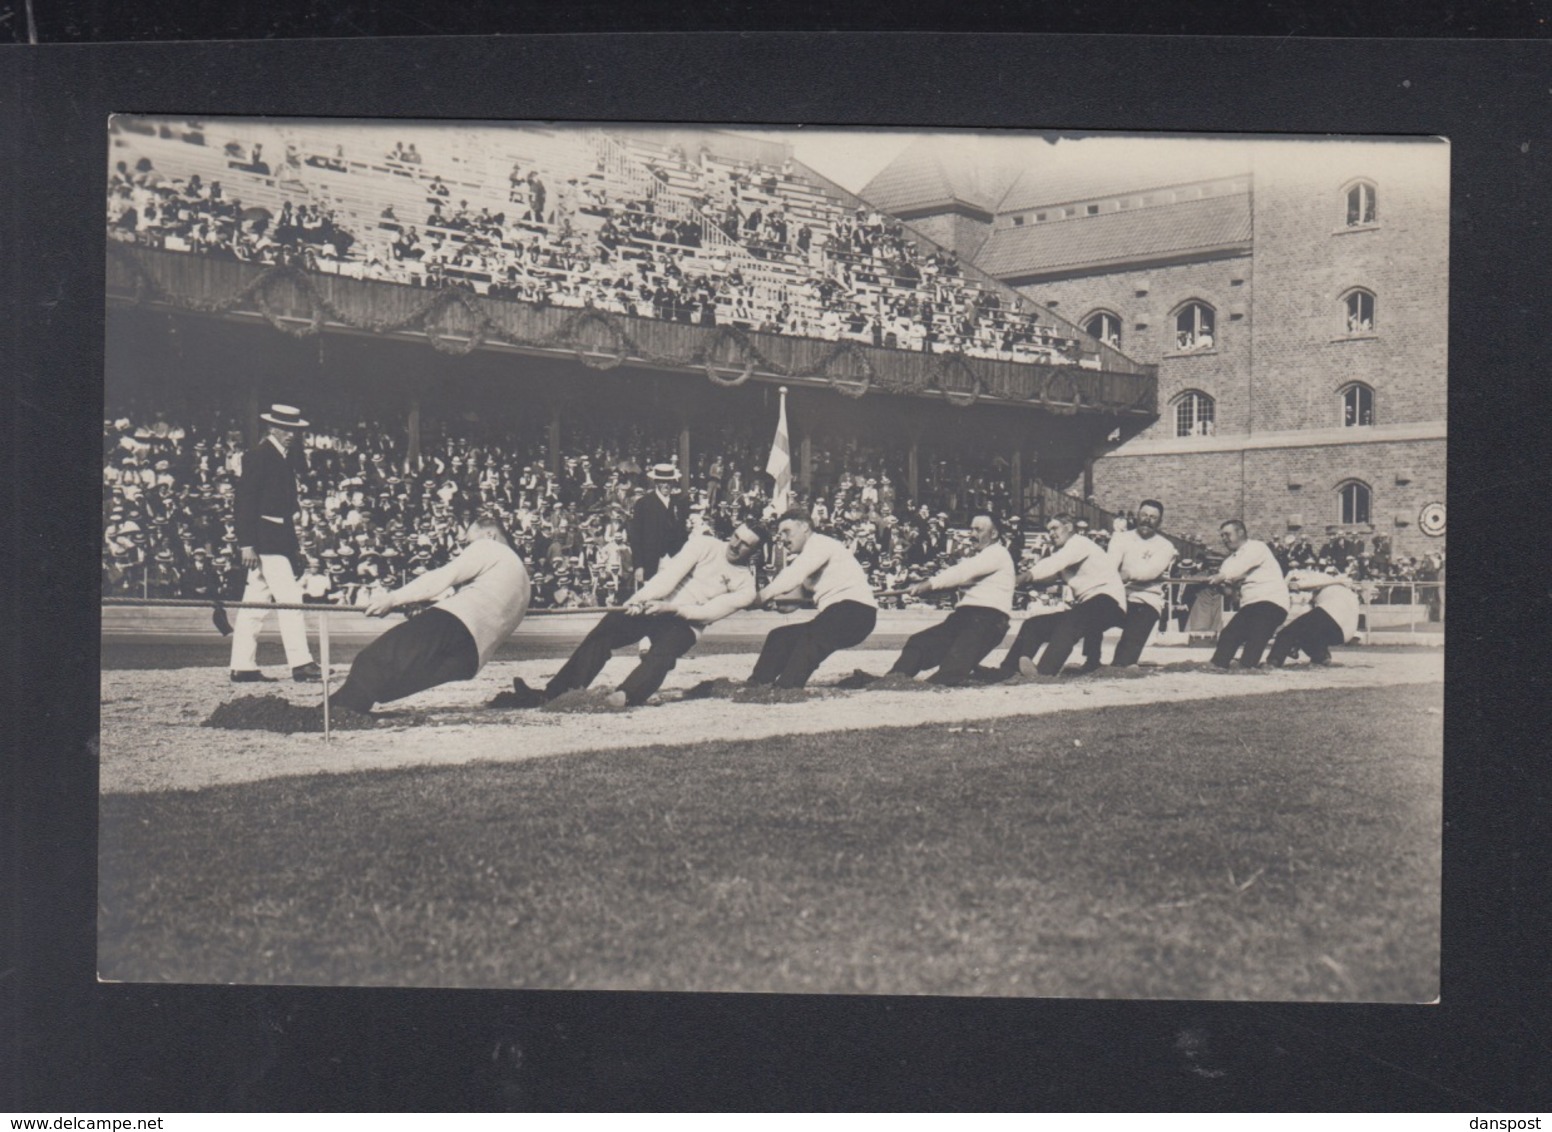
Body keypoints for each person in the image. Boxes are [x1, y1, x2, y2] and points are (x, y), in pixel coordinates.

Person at [511, 521, 767, 708]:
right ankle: (555, 693)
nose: (735, 545)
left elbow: (707, 614)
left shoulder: (746, 586)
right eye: (735, 536)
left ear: (754, 552)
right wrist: (639, 600)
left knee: (664, 653)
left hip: (686, 623)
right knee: (607, 629)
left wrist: (672, 608)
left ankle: (625, 696)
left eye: (745, 544)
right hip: (654, 604)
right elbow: (668, 577)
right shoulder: (704, 544)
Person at [329, 515, 531, 714]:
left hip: (456, 623)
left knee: (372, 660)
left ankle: (334, 713)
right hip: (471, 659)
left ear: (490, 535)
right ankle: (337, 708)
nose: (466, 548)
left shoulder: (490, 547)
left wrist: (393, 599)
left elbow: (443, 576)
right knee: (386, 686)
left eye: (470, 542)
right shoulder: (522, 577)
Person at [228, 404, 320, 683]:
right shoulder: (258, 457)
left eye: (294, 430)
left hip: (275, 542)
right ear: (272, 428)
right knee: (290, 601)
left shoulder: (282, 458)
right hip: (266, 543)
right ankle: (301, 663)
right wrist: (246, 544)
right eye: (285, 429)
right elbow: (244, 502)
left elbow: (284, 513)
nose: (291, 434)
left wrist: (294, 550)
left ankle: (242, 665)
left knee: (253, 606)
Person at [743, 509, 878, 689]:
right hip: (835, 615)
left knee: (812, 637)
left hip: (855, 612)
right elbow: (793, 601)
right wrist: (773, 602)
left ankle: (787, 687)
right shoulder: (810, 557)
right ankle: (757, 683)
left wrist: (761, 596)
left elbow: (793, 575)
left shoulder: (820, 544)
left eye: (787, 531)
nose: (782, 538)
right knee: (780, 637)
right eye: (779, 533)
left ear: (805, 527)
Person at [876, 514, 1014, 686]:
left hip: (989, 620)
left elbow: (962, 572)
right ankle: (893, 679)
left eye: (978, 530)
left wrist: (929, 584)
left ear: (994, 534)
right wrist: (926, 587)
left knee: (951, 671)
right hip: (965, 616)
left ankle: (989, 674)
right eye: (971, 529)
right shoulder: (982, 557)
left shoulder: (997, 554)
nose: (972, 534)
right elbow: (957, 579)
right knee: (919, 643)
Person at [982, 514, 1127, 679]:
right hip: (1088, 606)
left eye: (1055, 528)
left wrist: (1025, 576)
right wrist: (1015, 581)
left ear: (1069, 527)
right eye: (1048, 530)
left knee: (1071, 620)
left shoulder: (1079, 543)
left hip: (1110, 602)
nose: (1051, 533)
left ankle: (1045, 672)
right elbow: (1050, 576)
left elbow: (1053, 564)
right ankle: (1008, 669)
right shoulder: (1064, 550)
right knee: (1033, 624)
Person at [1085, 499, 1179, 668]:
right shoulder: (1121, 538)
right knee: (1093, 612)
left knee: (1124, 661)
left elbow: (1152, 571)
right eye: (1143, 515)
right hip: (1121, 595)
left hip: (1147, 600)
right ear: (1137, 516)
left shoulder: (1165, 546)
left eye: (1153, 517)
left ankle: (1122, 663)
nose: (1147, 520)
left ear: (1160, 521)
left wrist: (1128, 574)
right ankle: (1091, 660)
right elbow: (1111, 564)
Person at [1207, 519, 1291, 669]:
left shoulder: (1257, 547)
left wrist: (1221, 576)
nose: (1224, 539)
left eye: (1227, 534)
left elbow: (1241, 567)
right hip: (1250, 605)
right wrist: (1217, 586)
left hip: (1272, 601)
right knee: (1229, 633)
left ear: (1240, 532)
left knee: (1258, 633)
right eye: (1222, 536)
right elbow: (1229, 591)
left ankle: (1247, 665)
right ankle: (1218, 664)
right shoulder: (1228, 562)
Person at [1268, 568, 1361, 667]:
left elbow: (1297, 585)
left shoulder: (1320, 578)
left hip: (1332, 611)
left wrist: (1292, 583)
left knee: (1288, 632)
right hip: (1345, 633)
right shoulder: (1339, 588)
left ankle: (1274, 660)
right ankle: (1320, 657)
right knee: (1309, 633)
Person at [628, 462, 688, 586]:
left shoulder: (678, 504)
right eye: (662, 481)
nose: (666, 485)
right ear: (656, 482)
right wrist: (639, 565)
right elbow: (636, 537)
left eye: (669, 482)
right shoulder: (643, 504)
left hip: (673, 560)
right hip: (651, 561)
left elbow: (682, 535)